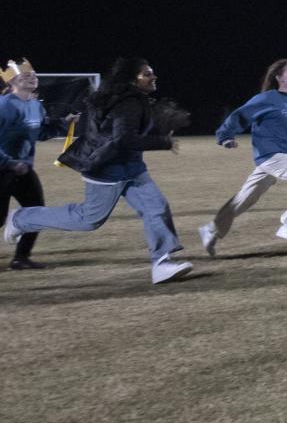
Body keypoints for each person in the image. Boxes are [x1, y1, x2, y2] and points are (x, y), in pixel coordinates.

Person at [4, 58, 194, 283]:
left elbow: (125, 132)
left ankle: (162, 263)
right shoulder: (127, 103)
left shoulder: (130, 99)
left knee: (156, 207)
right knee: (88, 220)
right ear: (133, 79)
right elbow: (123, 138)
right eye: (147, 74)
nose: (153, 77)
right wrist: (163, 142)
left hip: (130, 167)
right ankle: (21, 218)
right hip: (107, 169)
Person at [198, 59, 287, 255]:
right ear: (279, 77)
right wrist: (226, 136)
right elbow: (239, 115)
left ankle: (211, 229)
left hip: (281, 157)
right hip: (270, 154)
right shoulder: (266, 99)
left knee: (244, 200)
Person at [0, 62, 69, 270]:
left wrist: (63, 123)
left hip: (23, 170)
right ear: (12, 81)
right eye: (26, 76)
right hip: (3, 170)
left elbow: (40, 133)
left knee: (37, 213)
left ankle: (21, 258)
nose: (32, 78)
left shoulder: (35, 105)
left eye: (34, 75)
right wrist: (9, 163)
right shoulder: (4, 105)